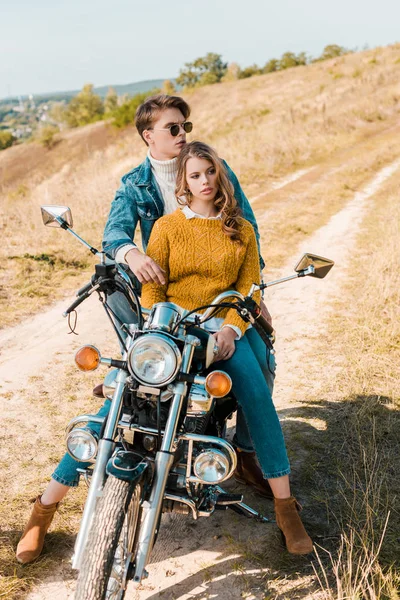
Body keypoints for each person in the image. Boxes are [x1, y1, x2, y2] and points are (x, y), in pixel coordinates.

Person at [16, 95, 274, 564]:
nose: (182, 135)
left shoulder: (212, 168)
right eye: (173, 128)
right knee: (128, 395)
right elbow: (115, 234)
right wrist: (131, 254)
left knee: (260, 364)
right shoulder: (135, 182)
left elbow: (248, 226)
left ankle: (249, 452)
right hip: (162, 311)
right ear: (148, 136)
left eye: (185, 126)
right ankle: (44, 509)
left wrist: (253, 298)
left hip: (220, 304)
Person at [140, 141, 313, 554]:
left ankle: (285, 506)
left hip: (228, 328)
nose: (204, 181)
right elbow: (152, 289)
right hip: (180, 328)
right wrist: (161, 327)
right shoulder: (166, 228)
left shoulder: (242, 229)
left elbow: (248, 289)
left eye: (210, 173)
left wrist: (231, 330)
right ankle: (49, 503)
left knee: (258, 397)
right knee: (126, 393)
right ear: (183, 181)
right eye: (194, 175)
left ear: (221, 175)